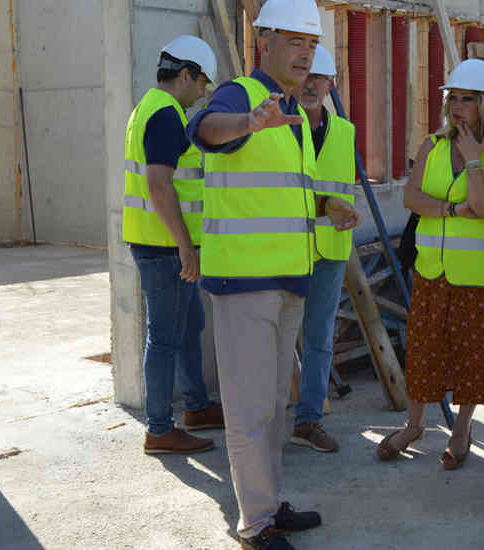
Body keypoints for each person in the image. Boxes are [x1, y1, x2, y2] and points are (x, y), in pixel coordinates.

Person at [185, 1, 358, 548]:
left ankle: (270, 503)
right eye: (294, 41)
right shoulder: (243, 95)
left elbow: (274, 199)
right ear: (264, 42)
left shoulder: (294, 116)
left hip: (287, 282)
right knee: (249, 408)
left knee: (274, 406)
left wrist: (324, 210)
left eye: (312, 44)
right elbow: (206, 128)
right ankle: (255, 523)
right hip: (245, 282)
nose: (306, 52)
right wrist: (249, 121)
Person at [376, 59, 484, 469]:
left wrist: (474, 160)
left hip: (478, 276)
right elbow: (411, 199)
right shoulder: (432, 145)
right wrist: (452, 209)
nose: (457, 107)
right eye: (452, 98)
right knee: (424, 350)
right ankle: (414, 425)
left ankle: (461, 429)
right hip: (431, 272)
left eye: (466, 100)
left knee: (473, 356)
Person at [122, 35, 225, 455]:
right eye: (202, 85)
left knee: (188, 328)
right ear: (186, 75)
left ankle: (196, 406)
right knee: (164, 338)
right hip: (165, 248)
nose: (202, 95)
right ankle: (159, 429)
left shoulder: (149, 108)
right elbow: (160, 185)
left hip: (159, 243)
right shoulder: (165, 114)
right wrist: (186, 246)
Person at [290, 44, 357, 454]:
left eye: (320, 78)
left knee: (319, 339)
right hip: (285, 246)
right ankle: (260, 418)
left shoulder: (345, 133)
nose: (312, 85)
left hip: (330, 249)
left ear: (332, 83)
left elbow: (342, 190)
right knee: (275, 337)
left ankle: (308, 419)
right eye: (306, 77)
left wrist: (347, 212)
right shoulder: (279, 126)